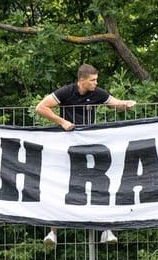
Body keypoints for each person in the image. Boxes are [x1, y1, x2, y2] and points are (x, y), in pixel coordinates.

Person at [35, 63, 137, 248]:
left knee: (100, 185)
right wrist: (62, 122)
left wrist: (126, 104)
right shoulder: (66, 92)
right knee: (60, 186)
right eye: (93, 80)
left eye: (96, 80)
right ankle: (52, 232)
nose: (96, 83)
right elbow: (41, 107)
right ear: (82, 80)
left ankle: (106, 229)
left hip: (91, 147)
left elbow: (116, 103)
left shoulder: (97, 93)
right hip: (67, 148)